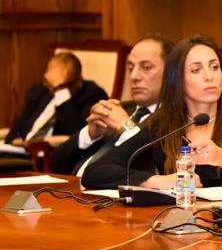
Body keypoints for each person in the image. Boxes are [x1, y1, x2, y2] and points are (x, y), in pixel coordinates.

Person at [82, 35, 222, 191]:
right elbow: (95, 172)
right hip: (178, 221)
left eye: (215, 67)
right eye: (196, 70)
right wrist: (156, 181)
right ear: (177, 80)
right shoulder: (163, 126)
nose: (209, 76)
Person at [51, 35, 173, 175]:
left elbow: (158, 171)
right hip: (73, 184)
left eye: (146, 67)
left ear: (171, 73)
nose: (134, 76)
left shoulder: (176, 120)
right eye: (131, 68)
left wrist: (126, 128)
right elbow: (56, 164)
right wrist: (89, 134)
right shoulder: (118, 108)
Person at [4, 52, 107, 148]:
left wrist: (61, 92)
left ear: (78, 80)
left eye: (61, 85)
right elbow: (17, 129)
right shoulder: (41, 91)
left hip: (50, 154)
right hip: (21, 151)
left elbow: (80, 138)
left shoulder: (93, 95)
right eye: (50, 83)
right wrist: (16, 139)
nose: (52, 89)